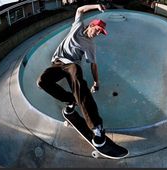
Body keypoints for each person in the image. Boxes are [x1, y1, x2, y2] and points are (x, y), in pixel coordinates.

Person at [37, 4, 108, 147]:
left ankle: (97, 127)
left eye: (100, 33)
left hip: (72, 67)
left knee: (80, 88)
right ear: (91, 25)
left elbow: (93, 64)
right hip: (58, 63)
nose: (97, 34)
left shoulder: (90, 46)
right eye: (97, 30)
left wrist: (96, 82)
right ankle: (70, 100)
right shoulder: (78, 25)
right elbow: (80, 10)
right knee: (42, 81)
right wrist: (96, 6)